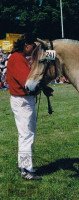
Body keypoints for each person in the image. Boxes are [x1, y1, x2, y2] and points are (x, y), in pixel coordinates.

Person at [6, 33, 42, 180]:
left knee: (26, 134)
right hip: (23, 101)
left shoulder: (18, 58)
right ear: (26, 45)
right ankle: (26, 169)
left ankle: (24, 166)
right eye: (32, 47)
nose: (33, 51)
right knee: (27, 135)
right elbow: (28, 83)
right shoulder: (17, 58)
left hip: (23, 100)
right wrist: (41, 87)